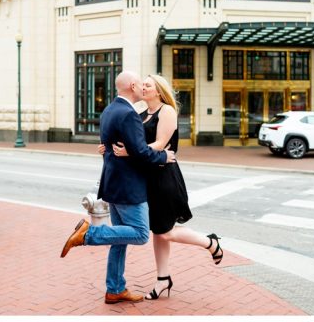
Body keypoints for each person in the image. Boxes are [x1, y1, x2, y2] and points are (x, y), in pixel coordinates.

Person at [101, 74, 224, 300]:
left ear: (159, 91)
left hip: (164, 177)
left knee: (165, 232)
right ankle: (163, 279)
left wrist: (130, 151)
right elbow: (130, 141)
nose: (143, 87)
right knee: (158, 231)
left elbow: (160, 144)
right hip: (146, 178)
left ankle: (210, 242)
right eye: (143, 84)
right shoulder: (139, 114)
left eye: (148, 85)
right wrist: (108, 147)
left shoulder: (167, 111)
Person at [60, 71, 176, 304]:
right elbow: (142, 153)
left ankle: (115, 288)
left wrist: (119, 151)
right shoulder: (128, 114)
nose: (143, 88)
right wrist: (164, 156)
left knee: (120, 239)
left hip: (113, 183)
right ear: (132, 85)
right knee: (141, 234)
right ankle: (89, 234)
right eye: (140, 84)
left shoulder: (108, 110)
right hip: (129, 186)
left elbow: (110, 148)